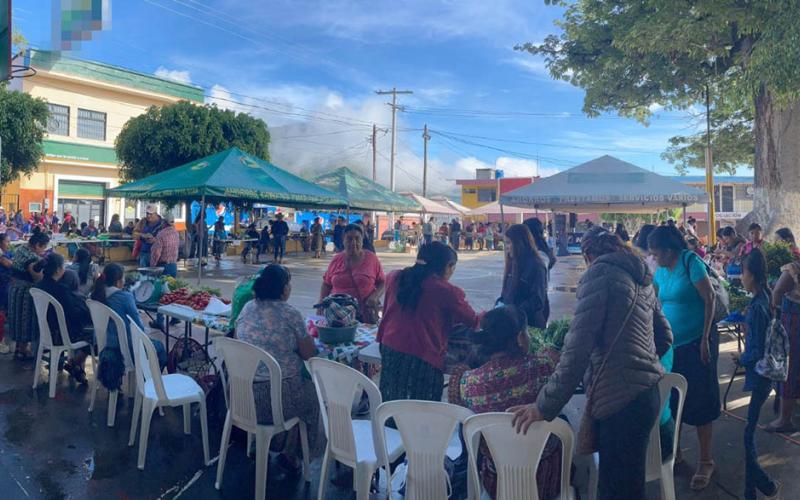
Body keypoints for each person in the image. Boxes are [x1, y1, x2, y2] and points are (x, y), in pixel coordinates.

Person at [510, 226, 672, 500]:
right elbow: (665, 337)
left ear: (587, 254)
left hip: (618, 400)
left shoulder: (599, 274)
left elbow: (576, 351)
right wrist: (636, 360)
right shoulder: (642, 279)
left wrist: (543, 406)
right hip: (647, 395)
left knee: (615, 491)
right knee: (629, 486)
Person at [449, 306, 562, 500]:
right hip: (544, 481)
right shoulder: (543, 367)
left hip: (497, 483)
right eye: (526, 332)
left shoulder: (468, 382)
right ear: (519, 338)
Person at [648, 224, 719, 490]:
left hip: (696, 344)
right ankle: (676, 452)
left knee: (701, 401)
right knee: (672, 399)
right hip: (670, 347)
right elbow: (654, 300)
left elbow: (709, 298)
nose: (653, 258)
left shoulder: (690, 262)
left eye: (656, 253)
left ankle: (706, 460)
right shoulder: (662, 271)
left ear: (669, 250)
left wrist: (704, 339)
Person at [235, 264, 319, 475]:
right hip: (276, 401)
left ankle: (261, 442)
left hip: (241, 396)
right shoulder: (290, 314)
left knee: (294, 387)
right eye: (288, 283)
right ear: (283, 289)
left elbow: (238, 340)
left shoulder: (248, 308)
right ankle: (291, 455)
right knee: (312, 396)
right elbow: (309, 354)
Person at [378, 241, 479, 402]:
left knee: (392, 399)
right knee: (423, 407)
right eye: (452, 268)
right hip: (423, 356)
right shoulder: (446, 291)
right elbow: (472, 320)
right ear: (447, 266)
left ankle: (389, 427)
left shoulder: (394, 277)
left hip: (390, 348)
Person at [731, 249, 781, 499]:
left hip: (761, 374)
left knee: (748, 433)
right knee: (748, 432)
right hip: (767, 374)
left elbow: (756, 350)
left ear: (753, 275)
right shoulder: (766, 297)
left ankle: (763, 484)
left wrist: (740, 358)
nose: (741, 277)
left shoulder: (756, 308)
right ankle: (753, 489)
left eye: (743, 272)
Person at [90, 263, 167, 385]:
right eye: (123, 278)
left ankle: (135, 382)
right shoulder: (125, 297)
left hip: (103, 346)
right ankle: (149, 384)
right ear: (119, 282)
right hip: (126, 350)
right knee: (161, 349)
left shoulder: (94, 296)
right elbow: (140, 328)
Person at [35, 253, 93, 383]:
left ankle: (74, 365)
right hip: (60, 334)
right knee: (95, 334)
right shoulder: (61, 290)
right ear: (58, 270)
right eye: (63, 267)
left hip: (46, 331)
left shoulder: (37, 287)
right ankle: (75, 364)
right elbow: (73, 314)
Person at [319, 224, 385, 323]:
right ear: (343, 241)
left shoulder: (371, 259)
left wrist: (375, 296)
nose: (353, 242)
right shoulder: (336, 260)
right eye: (349, 239)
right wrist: (320, 307)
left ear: (362, 241)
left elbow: (383, 282)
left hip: (365, 316)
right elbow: (326, 284)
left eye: (357, 238)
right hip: (338, 316)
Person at [768, 250, 800, 432]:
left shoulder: (794, 268)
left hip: (793, 322)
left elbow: (778, 291)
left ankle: (784, 419)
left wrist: (776, 312)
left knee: (789, 368)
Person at [8, 231, 50, 359]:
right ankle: (23, 349)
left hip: (14, 289)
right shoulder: (31, 258)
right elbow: (37, 278)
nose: (43, 250)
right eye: (43, 247)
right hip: (25, 292)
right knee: (25, 320)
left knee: (17, 319)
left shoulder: (21, 249)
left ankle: (19, 347)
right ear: (37, 245)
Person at [499, 224, 549, 328]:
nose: (507, 248)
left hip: (530, 325)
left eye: (509, 243)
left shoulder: (536, 265)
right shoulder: (513, 264)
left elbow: (538, 300)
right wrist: (499, 304)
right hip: (512, 323)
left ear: (519, 243)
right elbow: (507, 293)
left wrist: (515, 312)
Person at [148, 215, 180, 329]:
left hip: (163, 266)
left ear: (163, 223)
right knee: (172, 292)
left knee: (160, 294)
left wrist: (152, 267)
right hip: (173, 265)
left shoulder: (161, 234)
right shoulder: (176, 233)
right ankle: (175, 317)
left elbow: (156, 253)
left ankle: (160, 321)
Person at [0, 234, 13, 353]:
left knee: (3, 313)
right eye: (7, 242)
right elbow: (10, 264)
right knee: (1, 313)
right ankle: (1, 341)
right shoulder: (1, 255)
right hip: (2, 286)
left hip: (6, 285)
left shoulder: (8, 254)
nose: (9, 244)